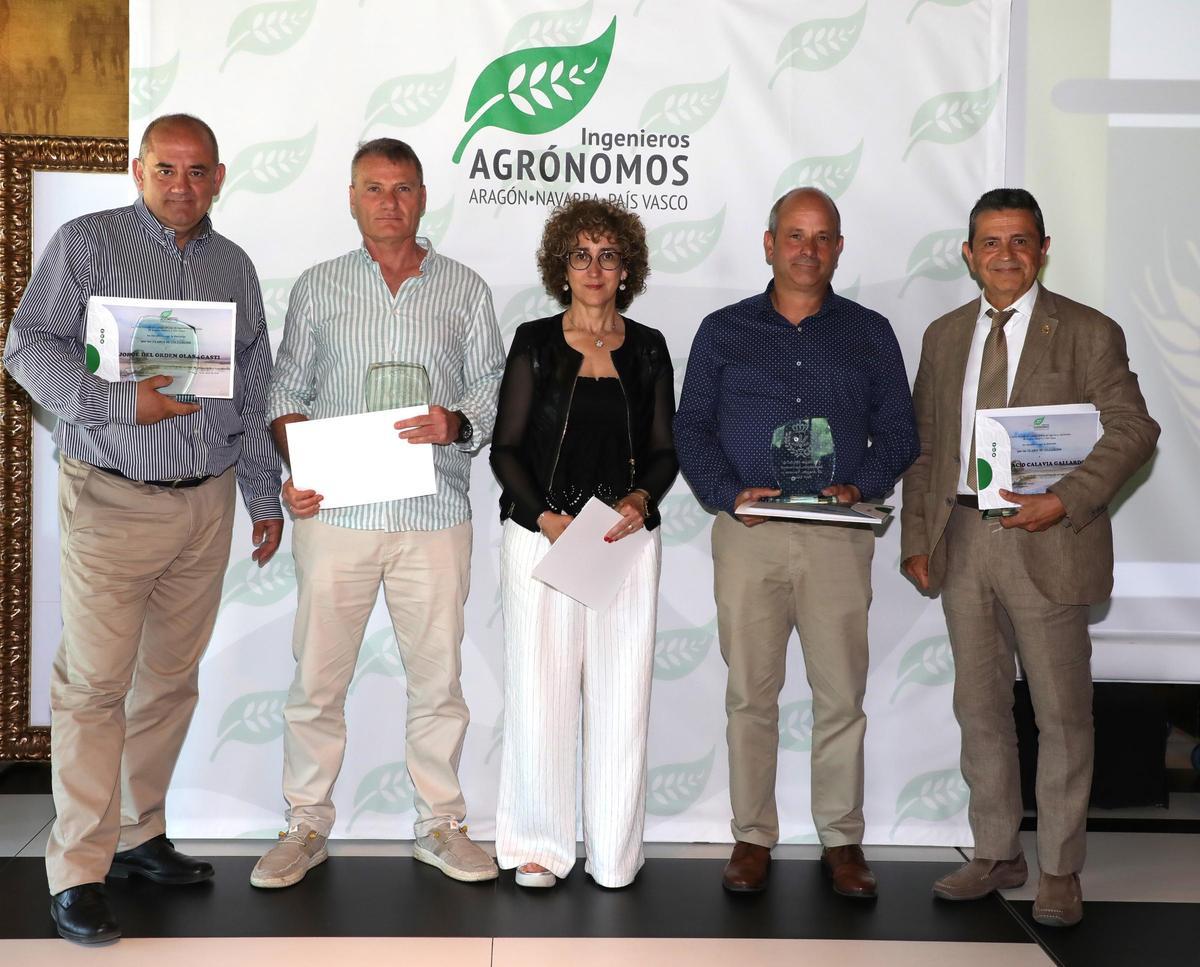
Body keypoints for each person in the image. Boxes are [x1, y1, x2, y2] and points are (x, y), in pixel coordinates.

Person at [3, 113, 284, 946]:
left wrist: (263, 493)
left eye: (199, 172)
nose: (182, 185)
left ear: (221, 177)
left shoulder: (234, 265)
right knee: (93, 688)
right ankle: (77, 870)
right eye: (167, 168)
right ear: (138, 168)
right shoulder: (86, 244)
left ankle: (137, 831)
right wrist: (126, 401)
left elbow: (255, 383)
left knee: (168, 678)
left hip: (209, 501)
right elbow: (27, 347)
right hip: (113, 497)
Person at [900, 188, 1159, 927]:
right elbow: (924, 446)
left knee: (1062, 716)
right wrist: (918, 537)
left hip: (1050, 539)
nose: (1005, 254)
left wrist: (1067, 498)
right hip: (962, 538)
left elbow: (1134, 427)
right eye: (990, 241)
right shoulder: (945, 335)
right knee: (980, 709)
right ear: (968, 253)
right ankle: (996, 851)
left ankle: (1060, 869)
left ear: (1043, 249)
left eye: (1020, 241)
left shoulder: (1086, 331)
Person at [254, 138, 504, 889]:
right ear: (353, 198)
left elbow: (493, 383)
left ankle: (440, 823)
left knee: (439, 682)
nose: (389, 201)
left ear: (423, 197)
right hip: (337, 517)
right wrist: (298, 466)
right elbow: (285, 392)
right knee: (317, 681)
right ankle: (305, 822)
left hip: (434, 510)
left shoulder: (463, 288)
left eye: (402, 188)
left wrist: (455, 422)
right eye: (373, 188)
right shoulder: (320, 286)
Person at [674, 187, 919, 897]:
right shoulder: (724, 330)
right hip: (750, 534)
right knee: (751, 692)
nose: (807, 249)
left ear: (838, 248)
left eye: (822, 237)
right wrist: (727, 493)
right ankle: (752, 835)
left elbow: (900, 430)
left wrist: (862, 483)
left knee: (840, 693)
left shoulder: (869, 332)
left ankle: (842, 840)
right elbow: (692, 428)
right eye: (795, 235)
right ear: (769, 242)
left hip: (837, 537)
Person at [490, 199, 677, 889]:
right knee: (541, 694)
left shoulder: (650, 346)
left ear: (625, 267)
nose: (594, 269)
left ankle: (614, 852)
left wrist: (639, 499)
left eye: (607, 256)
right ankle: (538, 845)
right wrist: (545, 518)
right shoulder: (534, 342)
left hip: (623, 542)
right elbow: (505, 450)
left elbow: (664, 450)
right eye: (580, 255)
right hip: (543, 539)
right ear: (560, 267)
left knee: (622, 699)